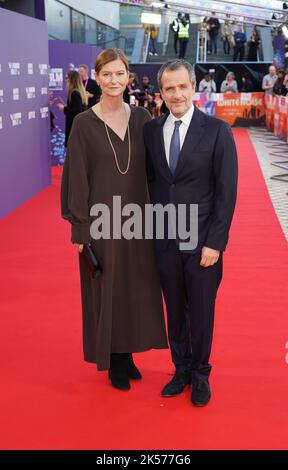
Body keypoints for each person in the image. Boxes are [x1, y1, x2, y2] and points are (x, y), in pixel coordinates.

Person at [60, 48, 168, 392]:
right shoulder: (83, 124)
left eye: (119, 74)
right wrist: (80, 227)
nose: (113, 80)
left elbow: (156, 171)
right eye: (106, 74)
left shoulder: (141, 118)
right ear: (96, 76)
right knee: (107, 290)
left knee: (135, 289)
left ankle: (129, 352)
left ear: (128, 77)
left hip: (138, 221)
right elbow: (76, 178)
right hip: (100, 223)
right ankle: (115, 359)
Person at [144, 59, 238, 407]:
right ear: (162, 92)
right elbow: (150, 184)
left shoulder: (217, 130)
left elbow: (227, 193)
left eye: (182, 86)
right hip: (165, 241)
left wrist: (215, 242)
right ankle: (180, 368)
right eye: (169, 88)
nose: (176, 94)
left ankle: (201, 373)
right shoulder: (151, 131)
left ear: (193, 86)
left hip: (202, 244)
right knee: (174, 310)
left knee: (200, 310)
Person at [57, 70, 88, 147]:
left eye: (67, 78)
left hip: (74, 127)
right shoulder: (79, 92)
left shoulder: (74, 93)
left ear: (72, 79)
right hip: (78, 127)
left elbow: (77, 111)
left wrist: (64, 108)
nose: (65, 80)